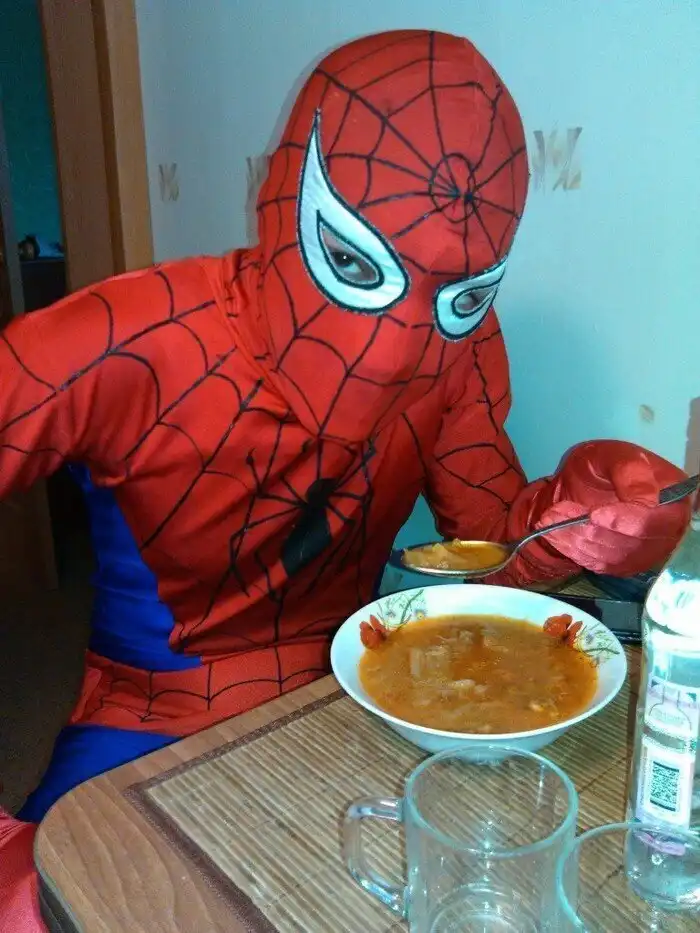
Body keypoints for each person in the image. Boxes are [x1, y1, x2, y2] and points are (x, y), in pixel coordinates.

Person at [0, 29, 688, 929]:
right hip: (150, 709)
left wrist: (581, 515)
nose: (400, 350)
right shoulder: (130, 339)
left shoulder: (460, 349)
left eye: (461, 295)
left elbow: (491, 547)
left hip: (357, 697)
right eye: (356, 263)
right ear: (285, 193)